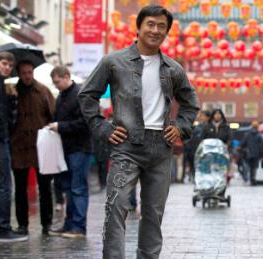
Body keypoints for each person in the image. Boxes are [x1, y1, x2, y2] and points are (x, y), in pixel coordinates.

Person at [78, 5, 199, 258]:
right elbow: (87, 95)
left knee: (153, 214)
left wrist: (180, 127)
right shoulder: (114, 61)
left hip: (160, 148)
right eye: (151, 25)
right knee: (116, 208)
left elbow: (191, 104)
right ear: (139, 27)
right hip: (126, 147)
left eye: (161, 27)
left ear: (167, 32)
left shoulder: (173, 69)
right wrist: (102, 126)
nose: (155, 30)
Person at [46, 66, 92, 238]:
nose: (56, 85)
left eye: (57, 82)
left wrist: (60, 126)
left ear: (66, 76)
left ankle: (79, 227)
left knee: (78, 188)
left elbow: (85, 123)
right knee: (68, 188)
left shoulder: (80, 94)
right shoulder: (61, 96)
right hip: (66, 149)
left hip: (80, 148)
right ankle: (69, 224)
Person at [10, 60, 55, 236]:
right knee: (20, 189)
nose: (27, 76)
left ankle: (47, 224)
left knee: (45, 188)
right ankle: (22, 224)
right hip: (19, 147)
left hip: (41, 147)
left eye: (30, 72)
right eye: (24, 73)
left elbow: (52, 115)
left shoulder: (43, 91)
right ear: (19, 74)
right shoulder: (12, 92)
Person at [0, 51, 28, 242]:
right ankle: (2, 228)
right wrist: (3, 136)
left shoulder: (3, 85)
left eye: (10, 65)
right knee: (4, 185)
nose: (7, 67)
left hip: (2, 138)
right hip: (0, 140)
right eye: (3, 63)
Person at [183, 110, 210, 182]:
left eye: (202, 116)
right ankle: (196, 178)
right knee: (194, 165)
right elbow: (192, 137)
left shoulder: (209, 126)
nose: (200, 117)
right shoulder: (198, 126)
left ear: (208, 117)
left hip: (204, 150)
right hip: (194, 149)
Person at [240, 120, 263, 186]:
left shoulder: (247, 134)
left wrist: (242, 149)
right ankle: (253, 179)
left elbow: (242, 144)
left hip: (248, 154)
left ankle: (248, 178)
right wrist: (261, 154)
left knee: (248, 167)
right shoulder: (259, 135)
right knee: (254, 167)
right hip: (256, 154)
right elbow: (261, 146)